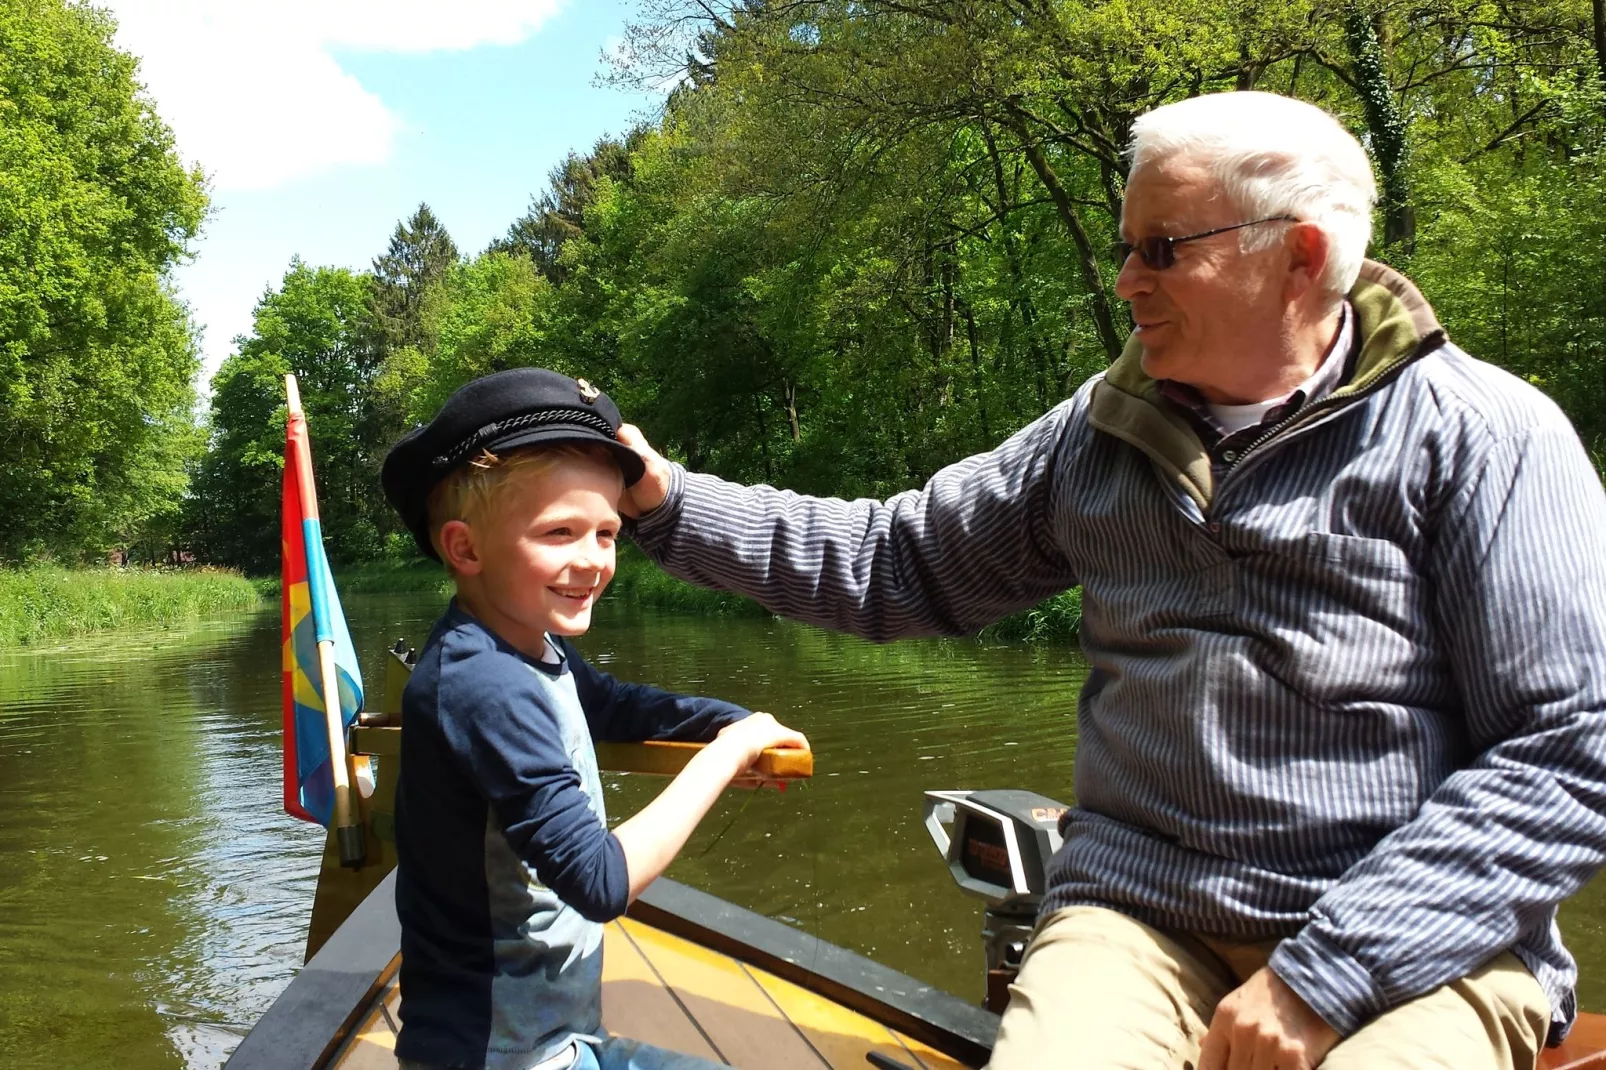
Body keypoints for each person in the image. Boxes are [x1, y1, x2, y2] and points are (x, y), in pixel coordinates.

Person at [615, 91, 1606, 1070]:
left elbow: (1572, 749)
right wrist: (665, 501)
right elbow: (894, 563)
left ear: (1298, 256)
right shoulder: (1096, 430)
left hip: (1422, 942)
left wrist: (1325, 973)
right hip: (1141, 920)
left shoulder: (1483, 434)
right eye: (1126, 245)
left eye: (1162, 248)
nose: (1126, 280)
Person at [379, 368, 809, 1070]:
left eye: (607, 533)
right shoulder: (481, 682)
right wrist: (724, 757)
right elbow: (600, 881)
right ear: (465, 549)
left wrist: (736, 723)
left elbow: (613, 705)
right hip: (495, 1055)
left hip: (550, 1040)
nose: (592, 561)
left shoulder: (522, 646)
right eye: (560, 533)